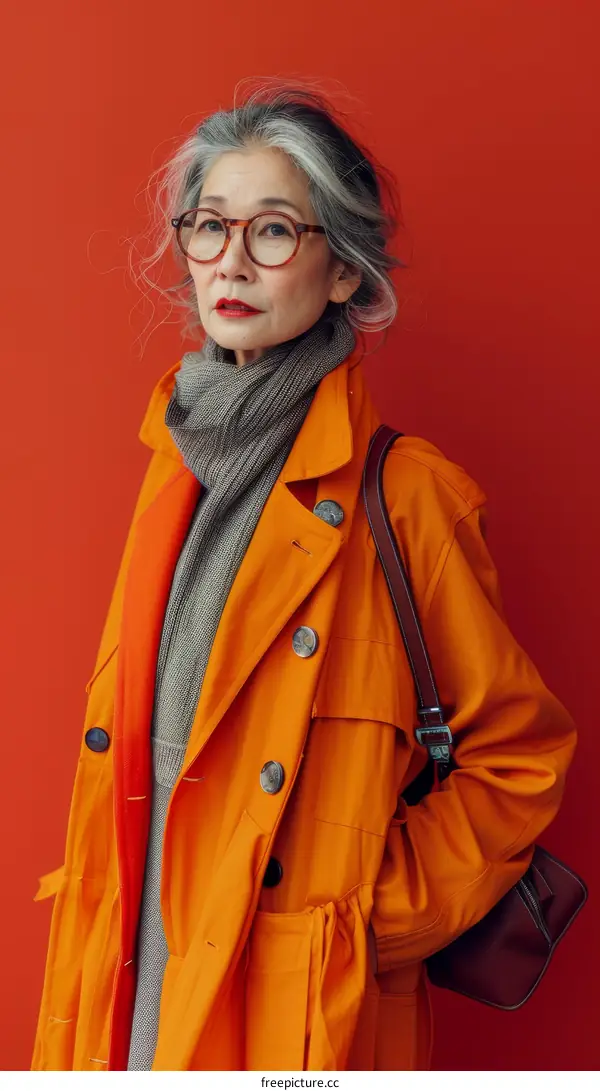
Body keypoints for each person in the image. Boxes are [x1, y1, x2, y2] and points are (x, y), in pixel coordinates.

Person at [30, 82, 577, 1073]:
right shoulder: (173, 465)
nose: (232, 259)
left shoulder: (408, 495)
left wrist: (360, 918)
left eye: (274, 230)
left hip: (289, 1000)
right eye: (210, 226)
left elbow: (520, 755)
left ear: (340, 271)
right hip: (128, 973)